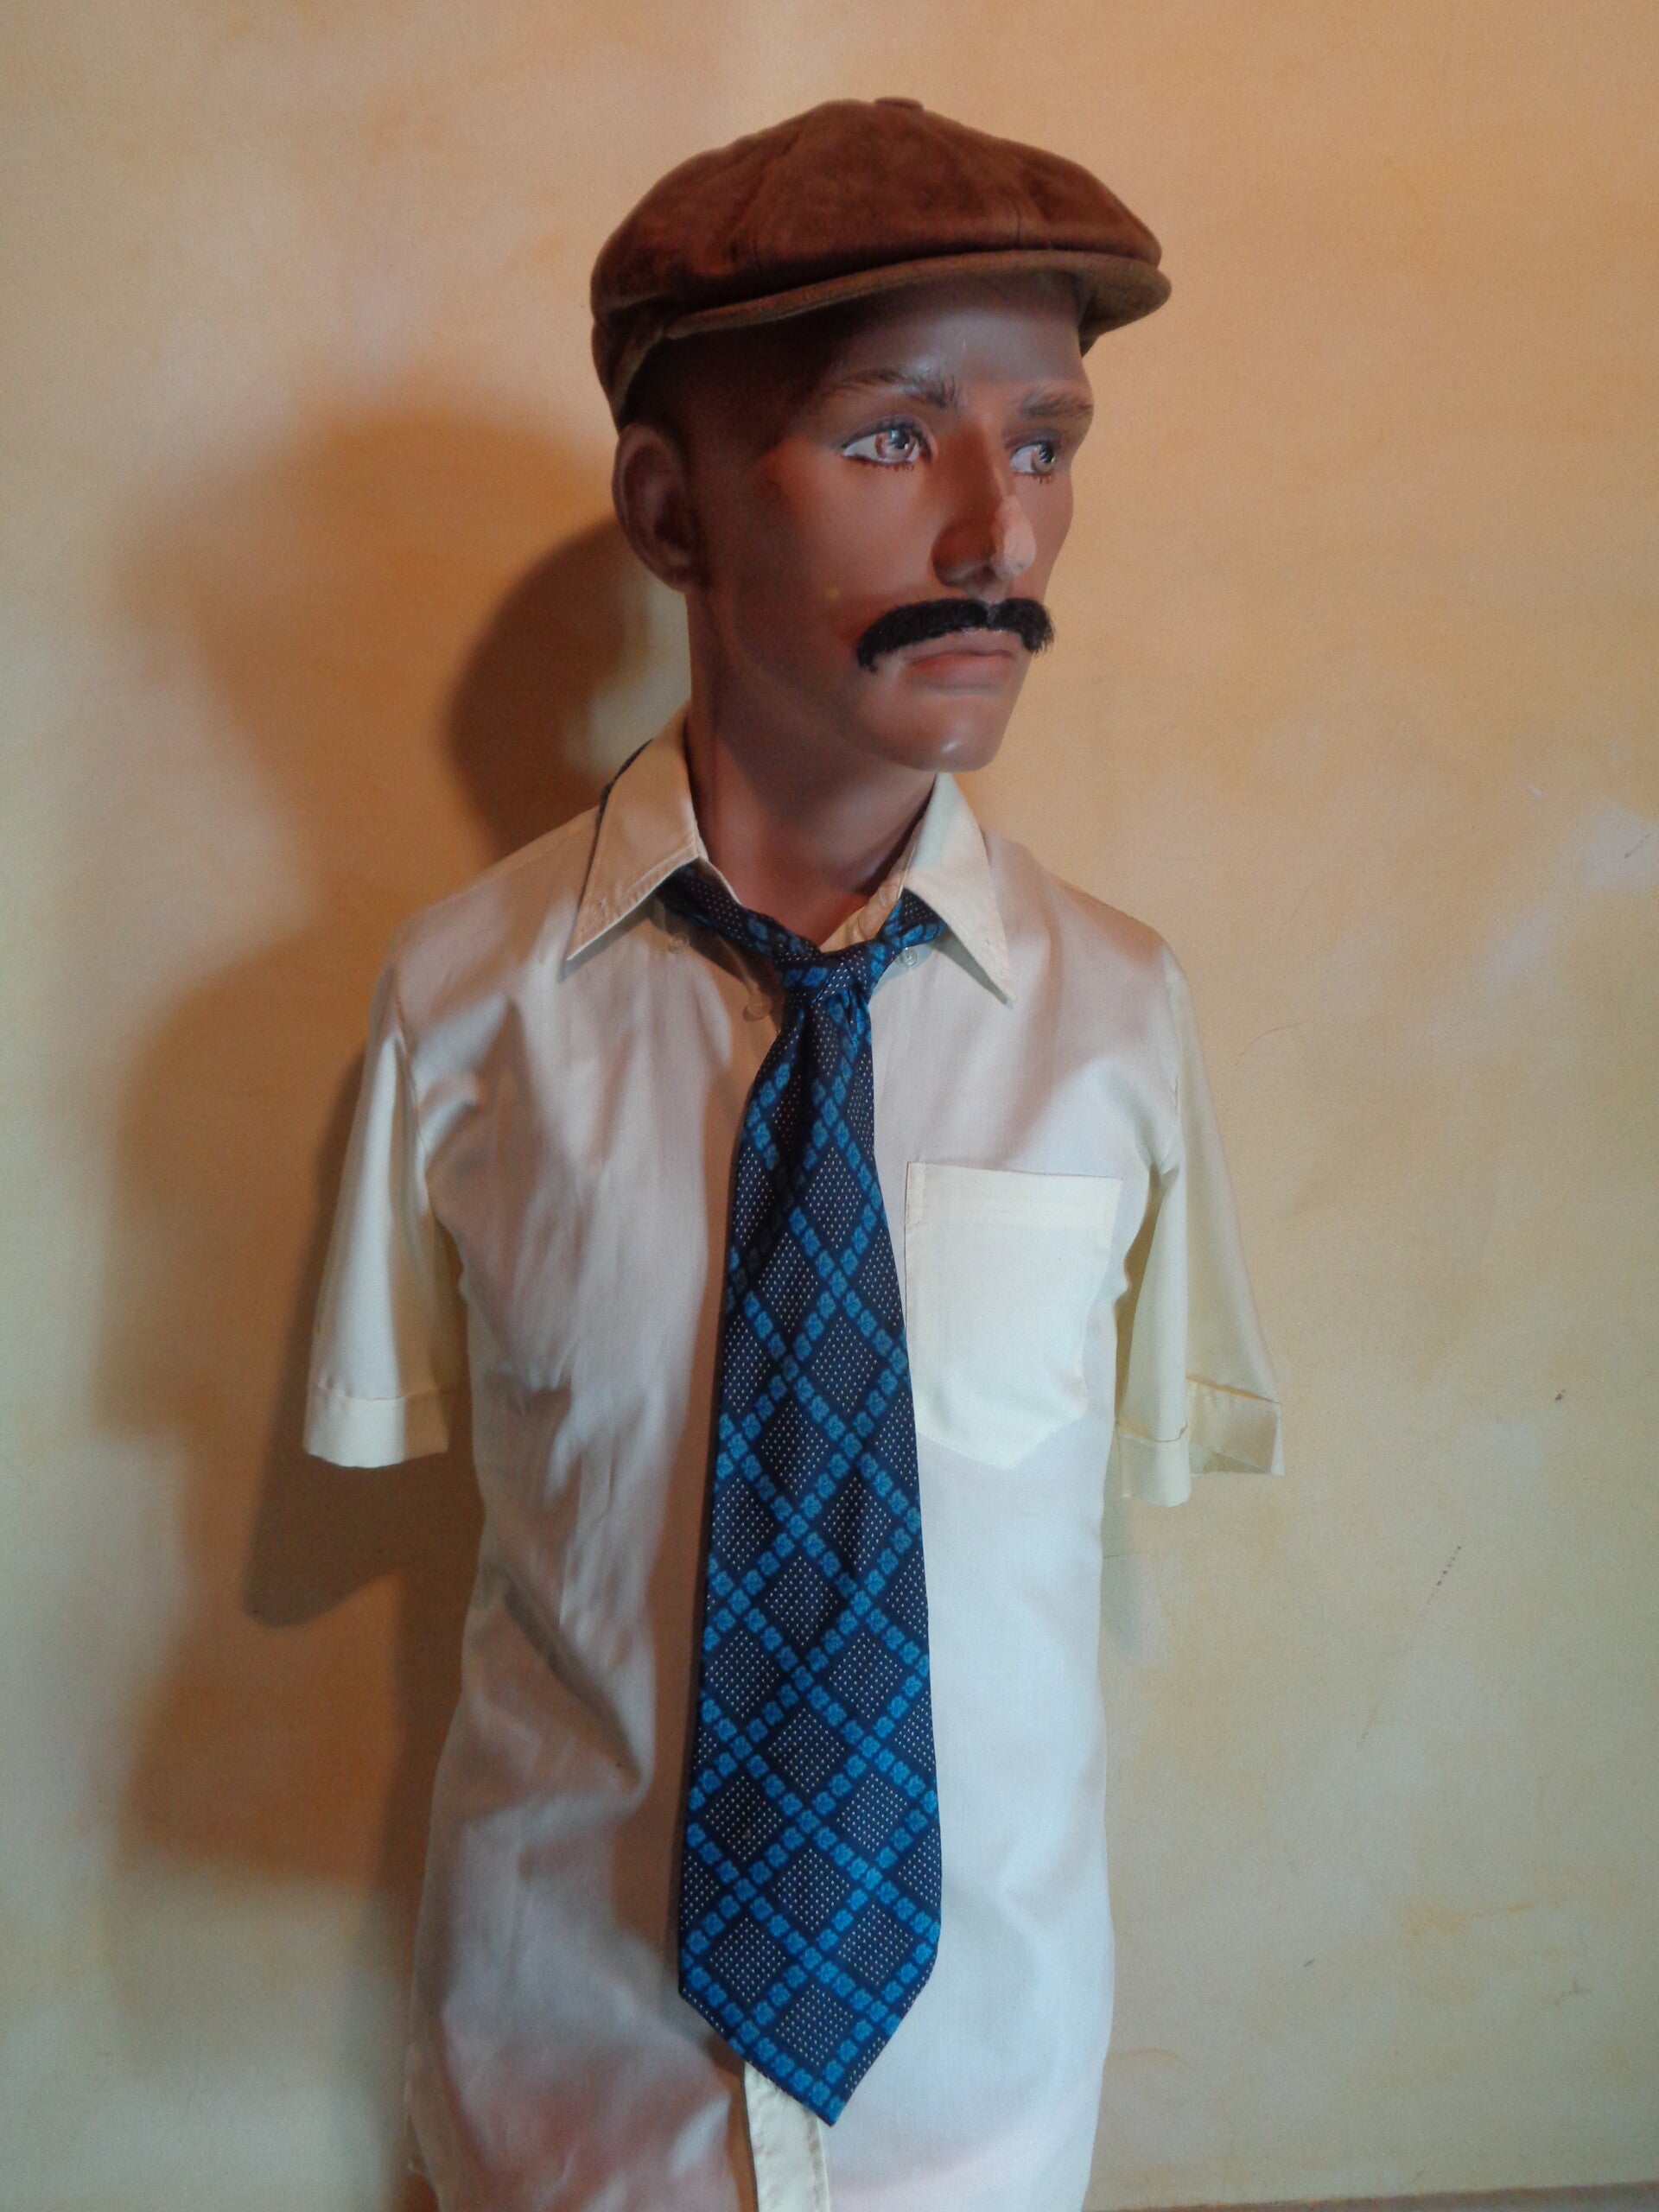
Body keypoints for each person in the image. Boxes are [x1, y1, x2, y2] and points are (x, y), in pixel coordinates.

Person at [305, 97, 1284, 2212]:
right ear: (669, 511)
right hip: (564, 2113)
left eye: (1046, 443)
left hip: (982, 2126)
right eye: (891, 437)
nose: (997, 537)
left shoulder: (1119, 1022)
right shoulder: (462, 1011)